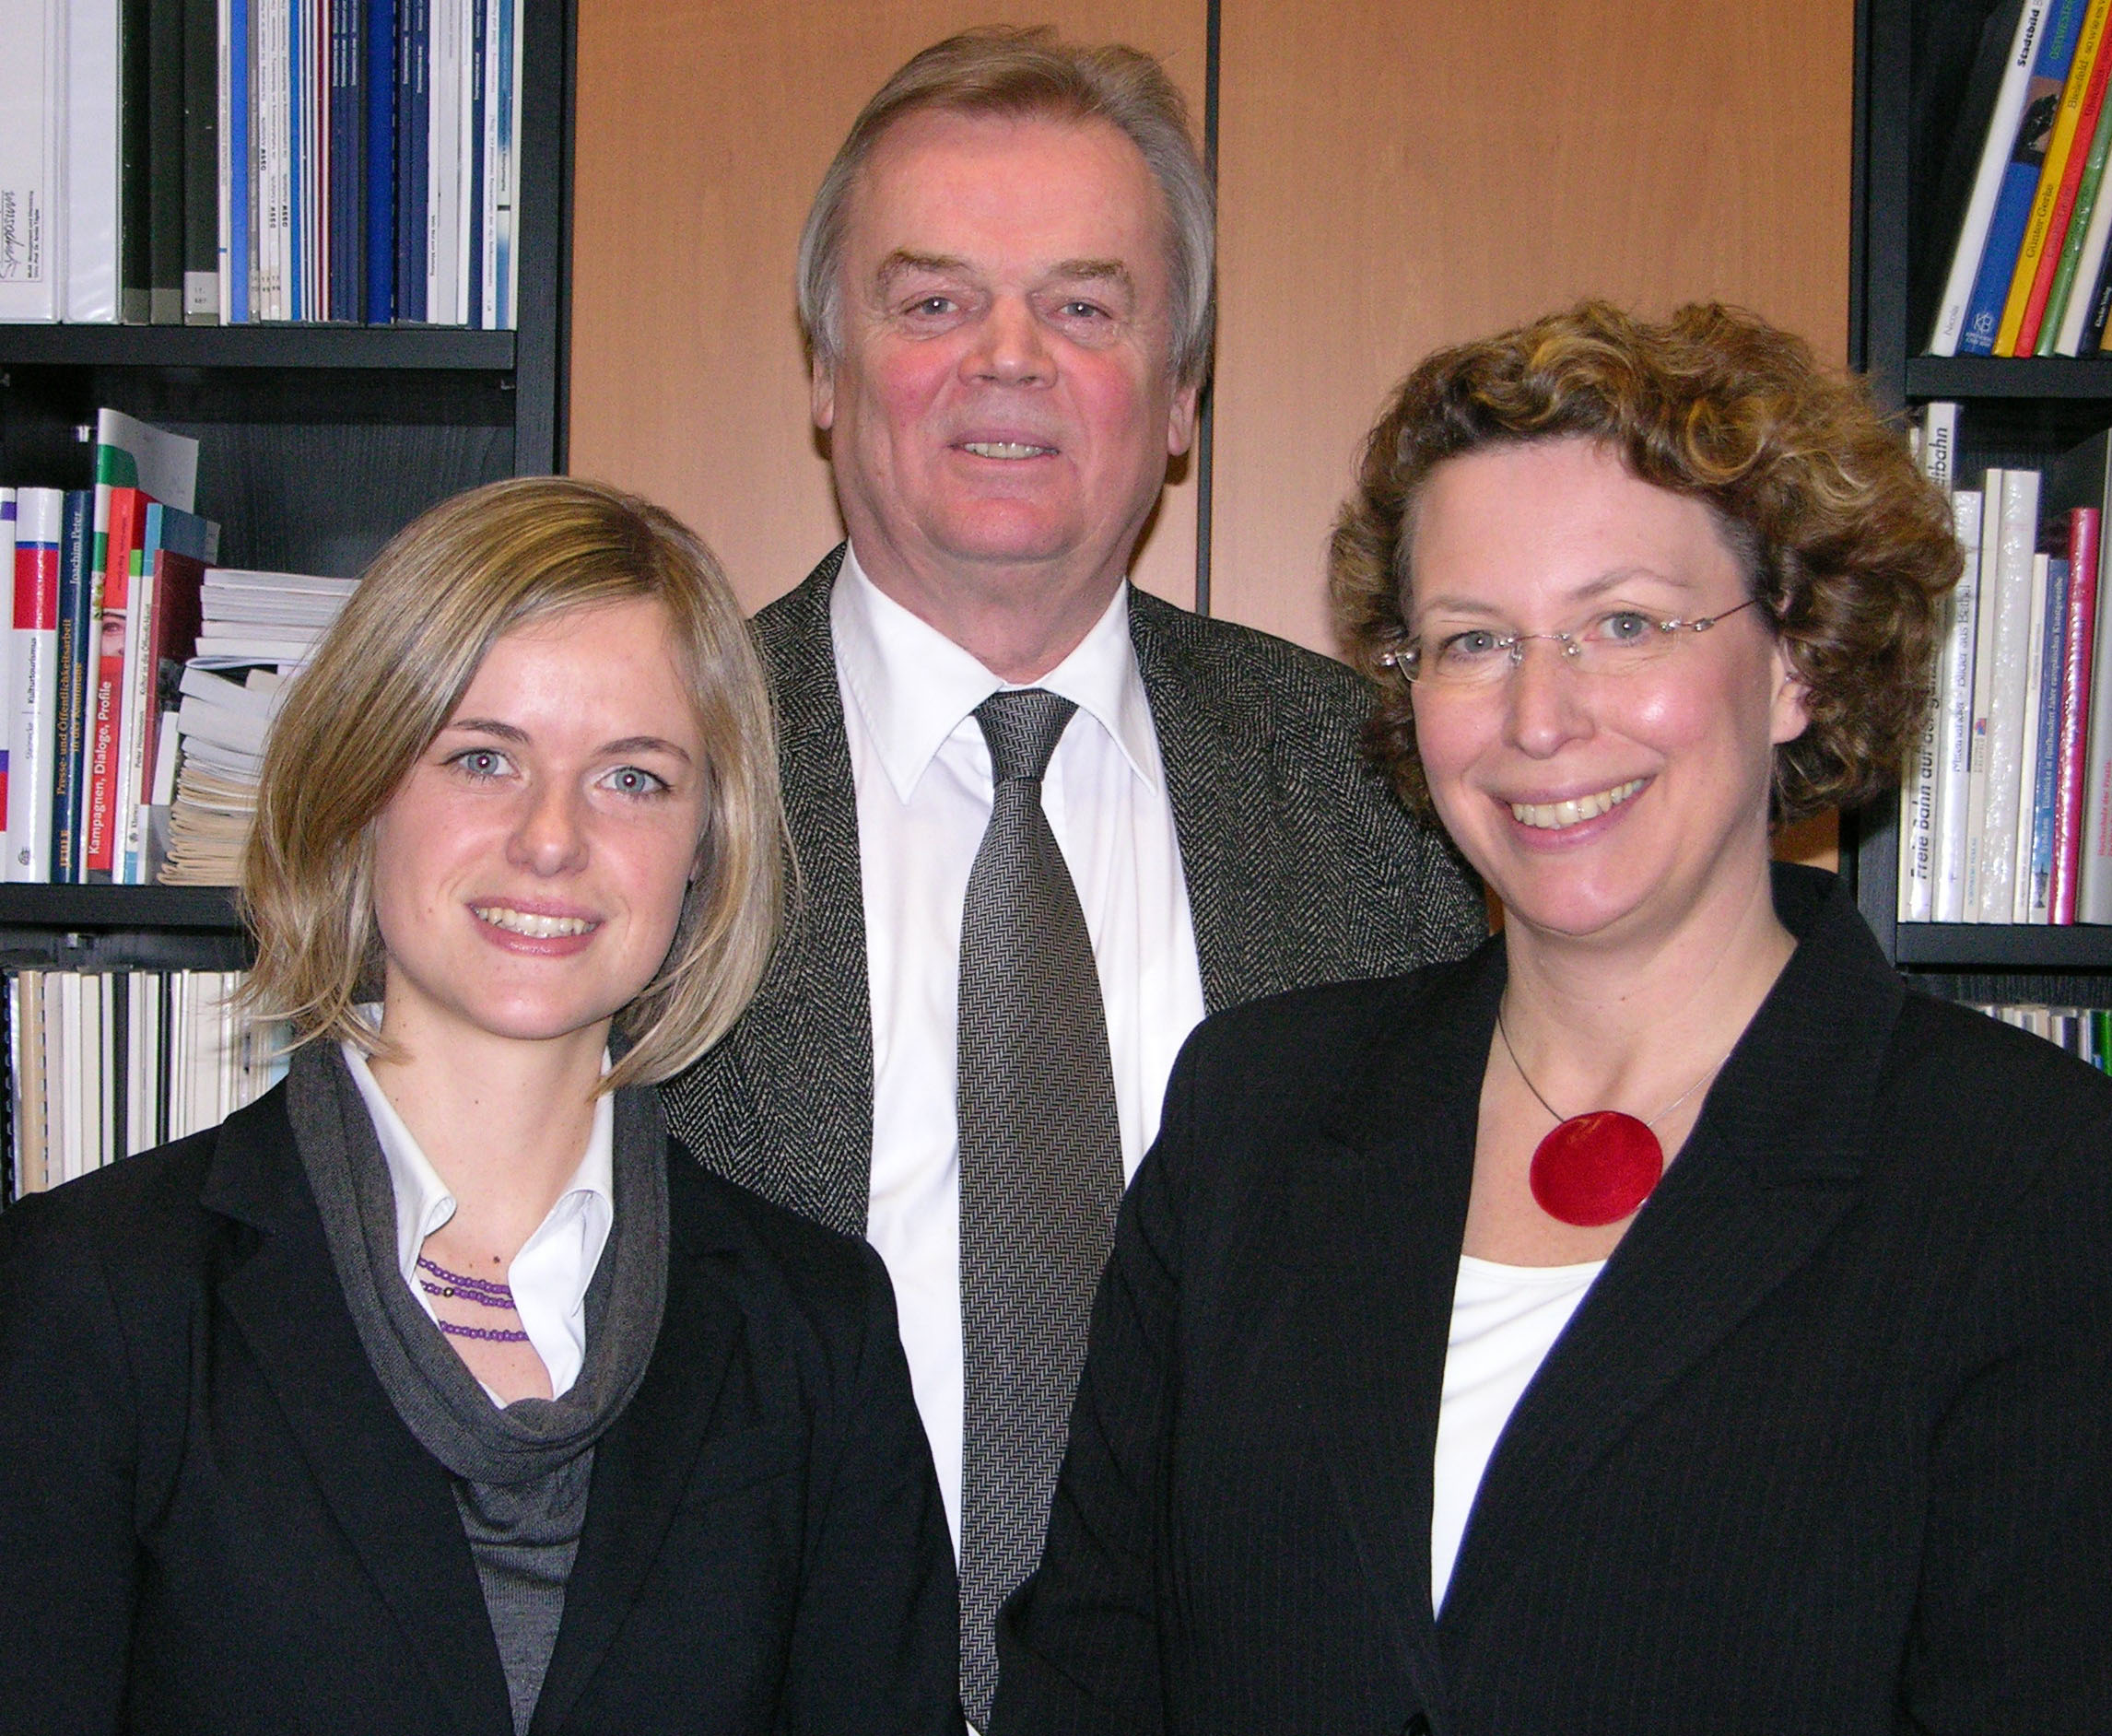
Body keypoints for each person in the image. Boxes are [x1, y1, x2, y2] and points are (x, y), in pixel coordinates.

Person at [994, 302, 2112, 1732]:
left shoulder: (2032, 1181)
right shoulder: (1254, 1114)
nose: (1537, 718)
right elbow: (1092, 1671)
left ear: (1797, 660)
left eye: (1623, 624)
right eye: (1473, 640)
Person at [659, 26, 1484, 1722]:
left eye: (1086, 308)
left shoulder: (1390, 796)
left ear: (1181, 397)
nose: (1008, 360)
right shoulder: (645, 777)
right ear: (826, 371)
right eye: (932, 301)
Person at [0, 477, 962, 1736]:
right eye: (481, 758)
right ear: (360, 792)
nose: (550, 839)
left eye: (632, 779)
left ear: (704, 848)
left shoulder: (816, 1330)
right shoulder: (95, 1296)